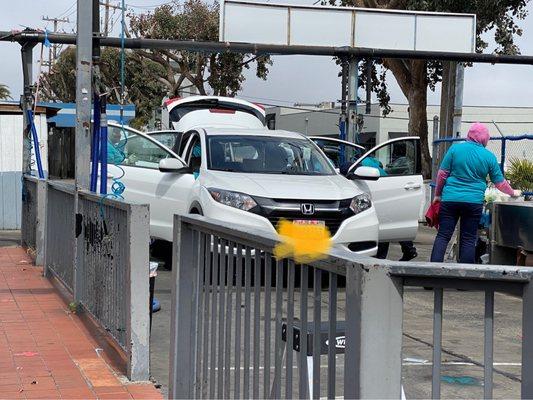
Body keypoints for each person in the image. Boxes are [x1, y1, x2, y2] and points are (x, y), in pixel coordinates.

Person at [430, 122, 522, 263]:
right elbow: (499, 182)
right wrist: (512, 192)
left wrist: (437, 195)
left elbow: (442, 174)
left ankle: (431, 277)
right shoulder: (489, 156)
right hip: (473, 202)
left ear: (469, 135)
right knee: (468, 239)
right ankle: (465, 281)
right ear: (485, 138)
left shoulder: (455, 150)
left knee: (443, 236)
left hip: (450, 199)